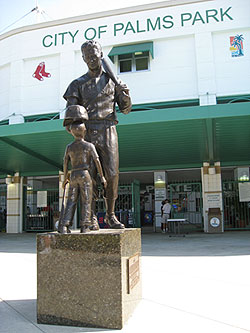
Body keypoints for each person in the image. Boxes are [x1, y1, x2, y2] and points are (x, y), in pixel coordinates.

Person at [63, 40, 132, 229]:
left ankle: (110, 214)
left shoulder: (112, 81)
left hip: (109, 129)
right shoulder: (77, 84)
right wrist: (77, 134)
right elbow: (70, 116)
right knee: (90, 176)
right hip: (87, 132)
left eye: (95, 55)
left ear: (101, 55)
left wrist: (124, 94)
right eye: (88, 57)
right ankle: (90, 217)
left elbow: (126, 109)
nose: (92, 60)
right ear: (84, 59)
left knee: (112, 175)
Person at [58, 106, 107, 234]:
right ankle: (85, 226)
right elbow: (97, 161)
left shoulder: (69, 147)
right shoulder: (89, 146)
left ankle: (64, 225)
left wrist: (65, 178)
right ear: (84, 131)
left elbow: (65, 162)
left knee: (71, 200)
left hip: (73, 174)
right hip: (85, 174)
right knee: (86, 200)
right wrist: (102, 177)